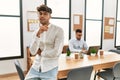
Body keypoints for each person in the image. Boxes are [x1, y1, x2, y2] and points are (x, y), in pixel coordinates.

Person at [25, 4, 64, 80]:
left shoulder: (58, 30)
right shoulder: (36, 32)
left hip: (50, 68)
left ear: (50, 16)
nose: (42, 16)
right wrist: (38, 34)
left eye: (45, 14)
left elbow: (56, 52)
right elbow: (33, 52)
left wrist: (41, 53)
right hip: (35, 67)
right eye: (40, 14)